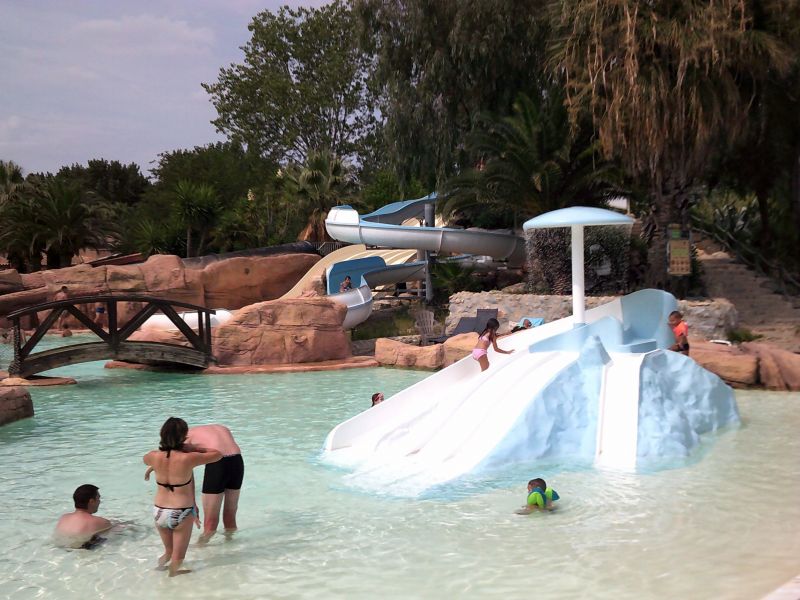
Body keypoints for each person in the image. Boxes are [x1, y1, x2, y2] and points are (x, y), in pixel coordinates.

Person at [143, 417, 222, 576]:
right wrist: (192, 447)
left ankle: (159, 570)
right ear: (184, 436)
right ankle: (173, 576)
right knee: (178, 557)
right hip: (181, 511)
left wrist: (153, 467)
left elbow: (148, 461)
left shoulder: (153, 456)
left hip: (159, 511)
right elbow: (218, 454)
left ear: (162, 434)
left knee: (168, 552)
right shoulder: (189, 458)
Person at [184, 424, 244, 543]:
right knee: (230, 518)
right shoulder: (220, 427)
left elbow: (186, 473)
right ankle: (232, 548)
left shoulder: (184, 439)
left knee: (210, 524)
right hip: (237, 461)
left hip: (218, 464)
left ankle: (199, 551)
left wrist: (192, 503)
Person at [54, 484, 112, 549]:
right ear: (92, 501)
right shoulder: (101, 522)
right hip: (82, 551)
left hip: (60, 549)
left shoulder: (64, 518)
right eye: (98, 498)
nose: (99, 501)